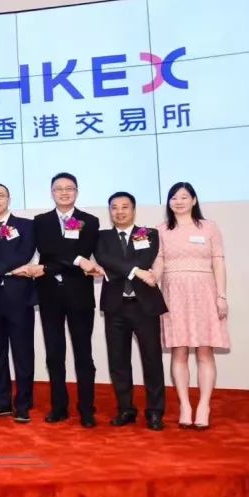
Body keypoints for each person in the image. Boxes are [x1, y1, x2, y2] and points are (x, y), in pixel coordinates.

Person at [153, 182, 228, 430]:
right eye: (174, 197)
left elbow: (218, 262)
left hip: (204, 292)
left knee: (205, 351)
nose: (179, 201)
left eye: (184, 197)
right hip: (174, 293)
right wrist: (149, 279)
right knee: (179, 351)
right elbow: (158, 264)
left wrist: (221, 296)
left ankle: (204, 405)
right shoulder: (161, 230)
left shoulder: (209, 227)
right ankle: (185, 405)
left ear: (194, 200)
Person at [33, 172, 102, 428]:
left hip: (79, 296)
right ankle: (59, 407)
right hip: (49, 295)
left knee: (84, 354)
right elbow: (48, 249)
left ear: (77, 191)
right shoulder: (41, 221)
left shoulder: (89, 221)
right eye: (58, 188)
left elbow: (83, 249)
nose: (64, 192)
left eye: (69, 188)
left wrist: (69, 259)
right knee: (54, 354)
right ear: (52, 192)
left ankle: (86, 409)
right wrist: (77, 260)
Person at [96, 191, 168, 431]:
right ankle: (126, 409)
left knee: (152, 360)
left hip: (144, 306)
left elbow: (145, 259)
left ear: (133, 210)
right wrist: (135, 272)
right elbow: (104, 259)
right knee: (118, 361)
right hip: (115, 306)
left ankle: (155, 412)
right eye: (114, 207)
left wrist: (122, 268)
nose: (119, 211)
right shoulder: (102, 237)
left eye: (124, 207)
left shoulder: (148, 233)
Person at [0, 183, 39, 423]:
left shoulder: (26, 225)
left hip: (19, 299)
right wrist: (3, 268)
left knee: (23, 353)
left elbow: (25, 253)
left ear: (9, 198)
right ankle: (2, 402)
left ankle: (23, 404)